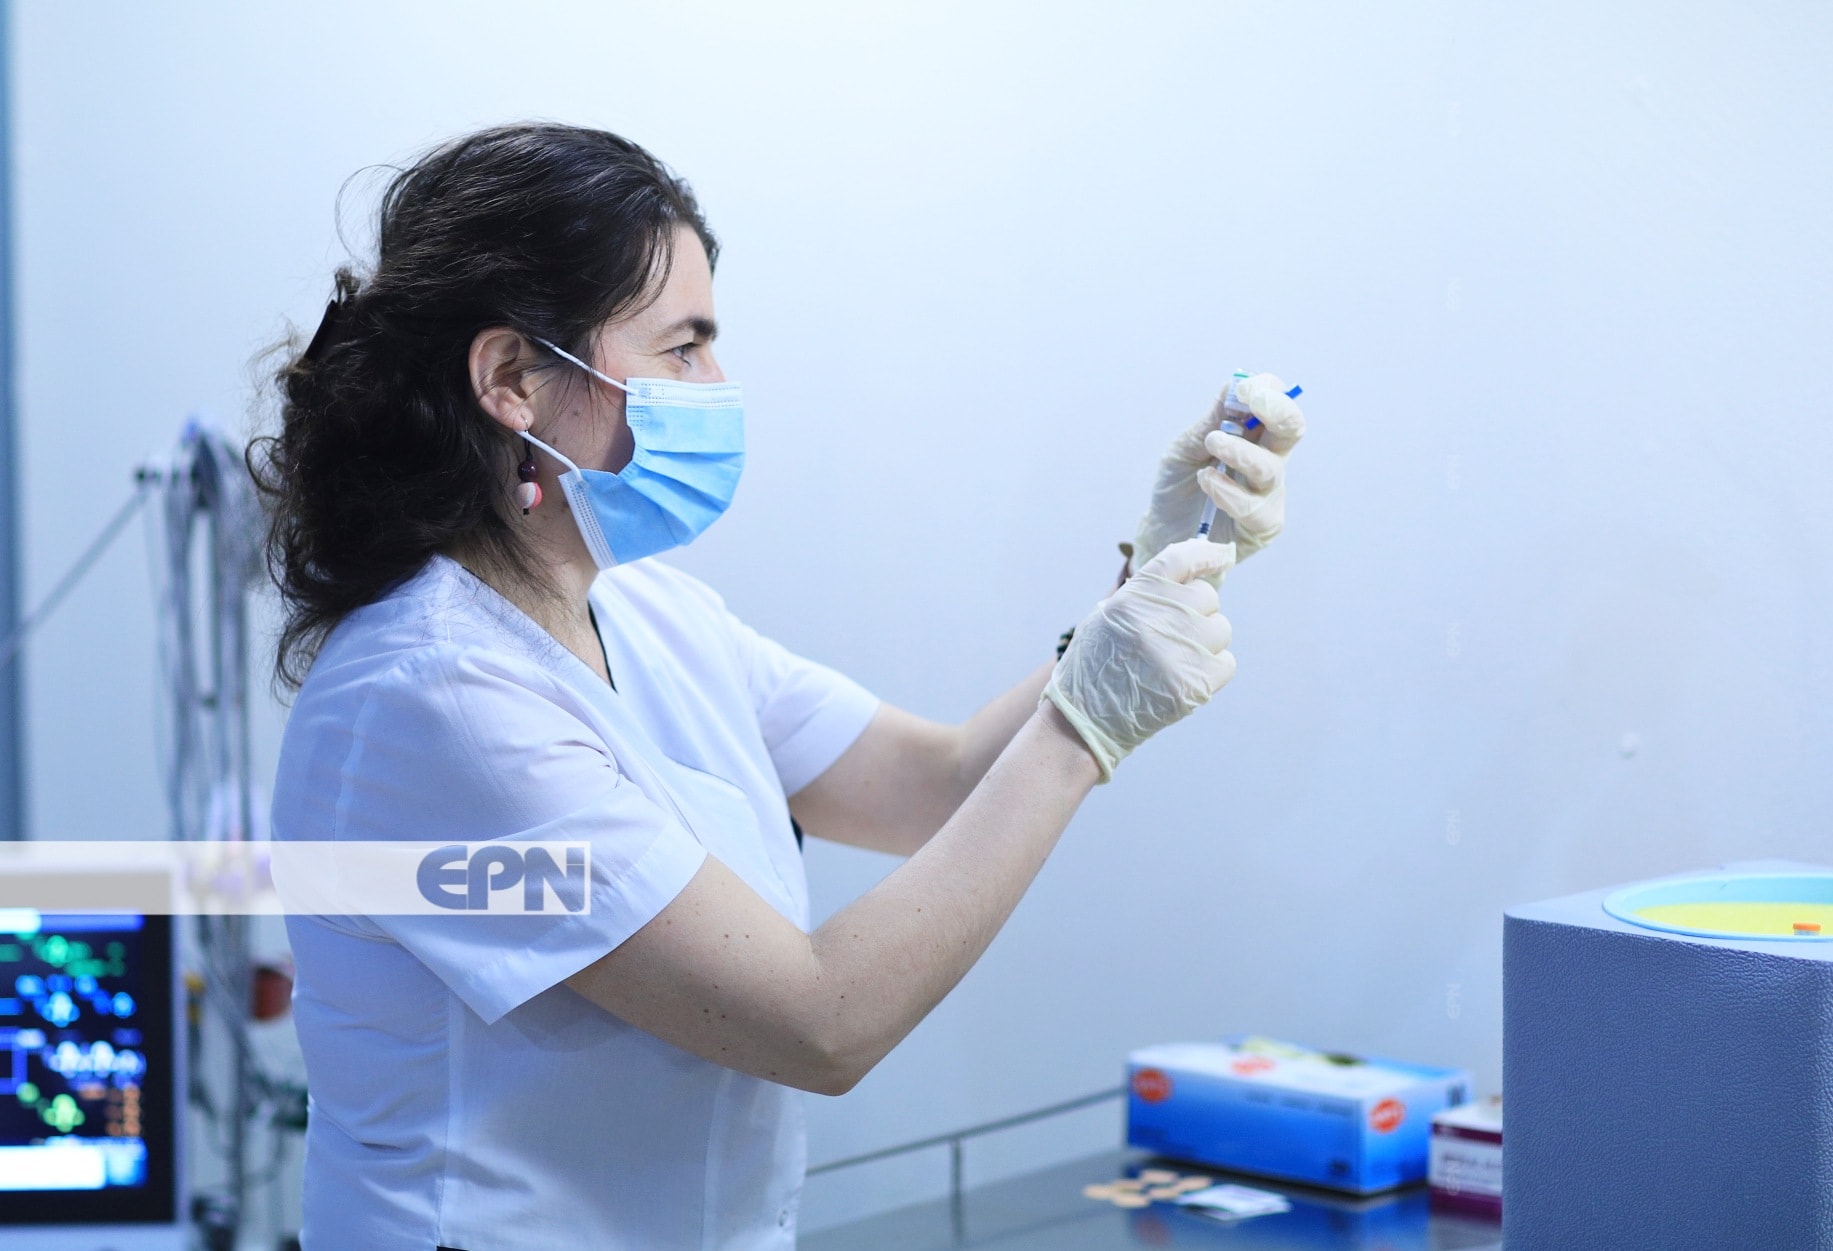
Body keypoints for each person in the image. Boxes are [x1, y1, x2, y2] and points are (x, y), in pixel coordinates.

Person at [255, 122, 1305, 1250]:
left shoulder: (651, 614)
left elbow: (938, 783)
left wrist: (1138, 586)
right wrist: (1083, 726)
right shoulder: (431, 699)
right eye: (683, 348)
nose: (717, 388)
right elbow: (819, 1023)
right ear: (513, 378)